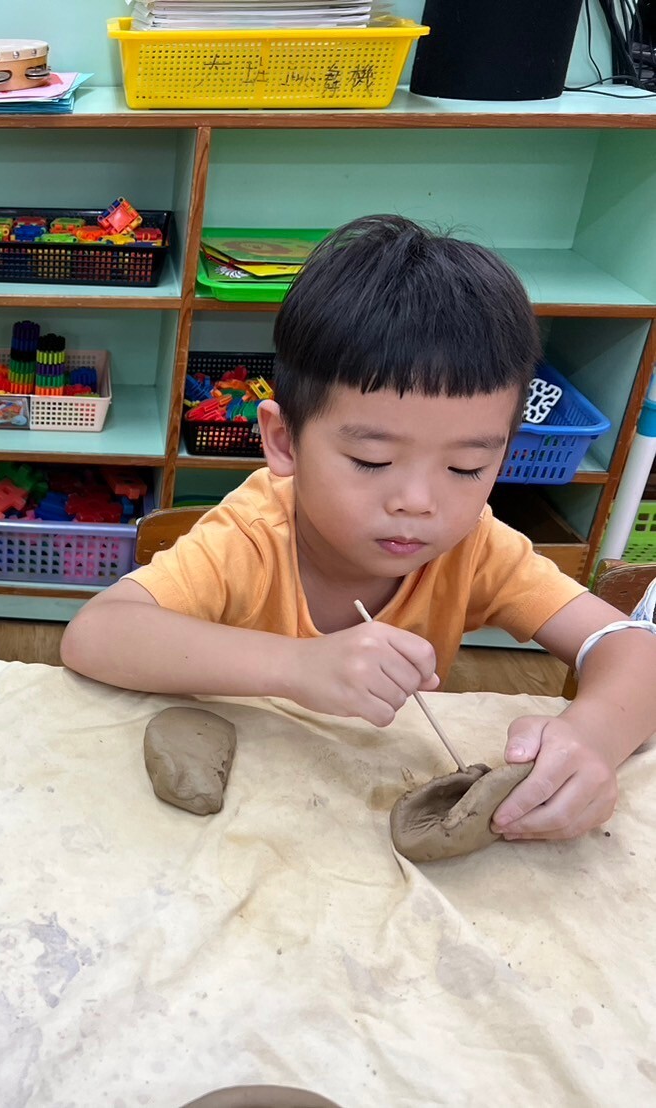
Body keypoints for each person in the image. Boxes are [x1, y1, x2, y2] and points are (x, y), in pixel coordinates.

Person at [61, 214, 656, 841]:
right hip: (235, 824)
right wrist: (296, 666)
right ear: (284, 441)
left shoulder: (475, 547)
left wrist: (594, 736)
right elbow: (97, 634)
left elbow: (632, 646)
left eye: (466, 467)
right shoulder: (251, 538)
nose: (417, 502)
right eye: (372, 460)